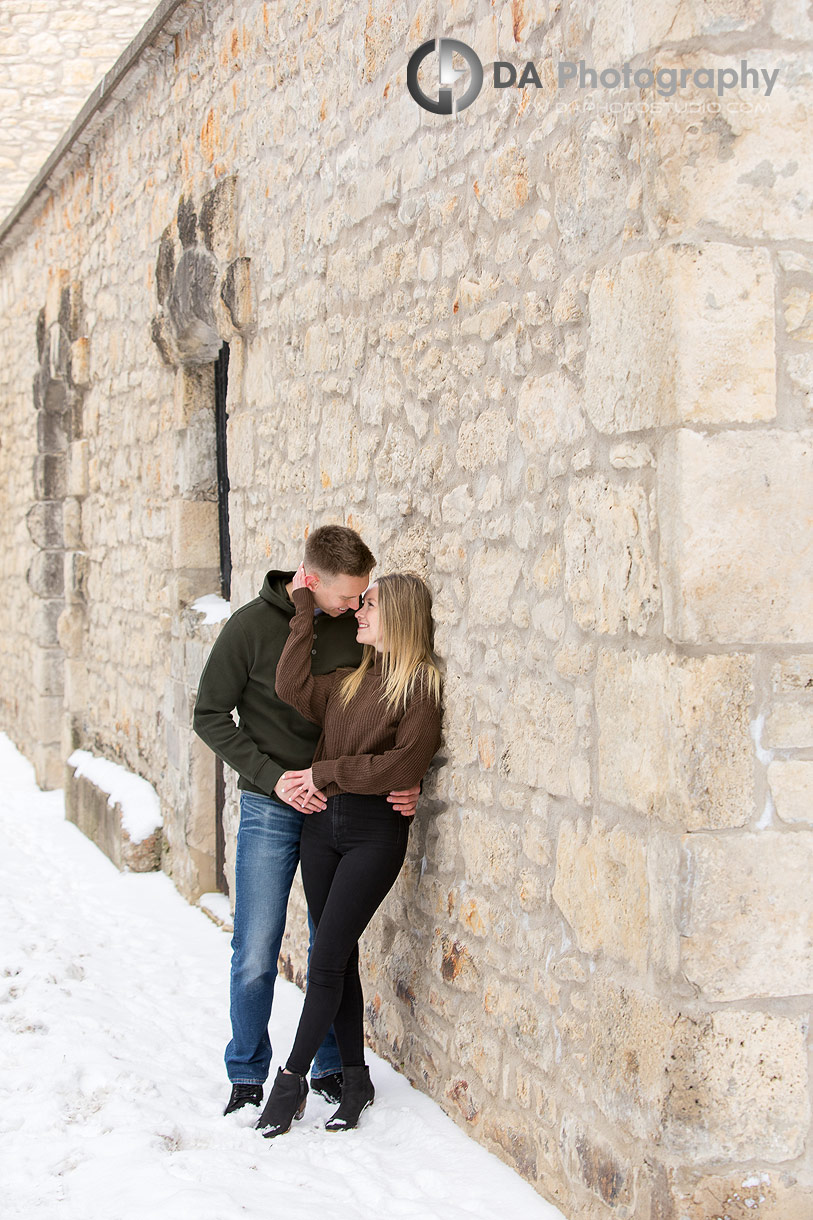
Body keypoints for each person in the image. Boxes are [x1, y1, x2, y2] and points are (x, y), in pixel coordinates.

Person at [192, 525, 421, 1116]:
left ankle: (326, 1067)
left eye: (362, 596)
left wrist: (406, 773)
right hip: (273, 802)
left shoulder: (360, 628)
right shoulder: (249, 627)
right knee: (256, 945)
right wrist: (271, 777)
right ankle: (246, 1072)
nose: (356, 605)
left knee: (330, 946)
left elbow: (390, 702)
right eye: (347, 595)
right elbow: (210, 714)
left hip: (340, 804)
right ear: (311, 581)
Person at [254, 564, 442, 1138]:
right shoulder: (348, 681)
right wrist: (303, 608)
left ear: (400, 618)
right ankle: (356, 1079)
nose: (359, 611)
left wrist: (326, 770)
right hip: (320, 832)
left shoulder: (421, 688)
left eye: (371, 605)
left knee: (326, 957)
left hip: (373, 835)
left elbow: (402, 766)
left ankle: (289, 1083)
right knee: (338, 956)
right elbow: (289, 686)